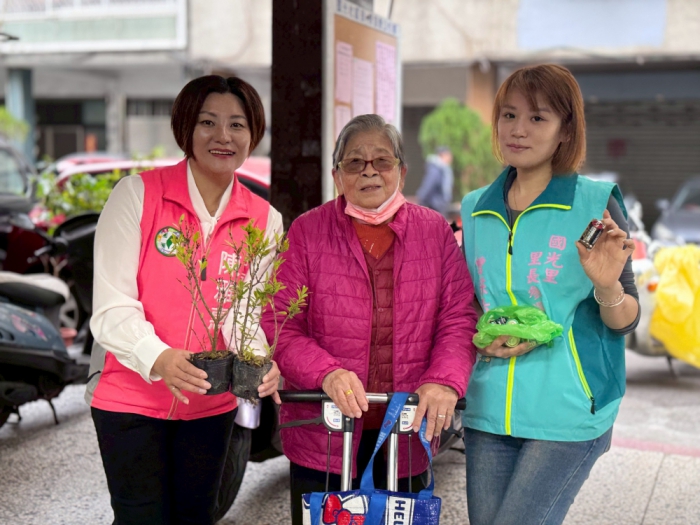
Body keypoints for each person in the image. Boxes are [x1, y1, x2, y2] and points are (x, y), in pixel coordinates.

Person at [261, 114, 478, 525]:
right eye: (354, 162)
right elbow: (279, 323)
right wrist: (326, 372)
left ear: (402, 171)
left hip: (407, 430)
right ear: (336, 175)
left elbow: (458, 317)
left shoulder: (434, 231)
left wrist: (443, 380)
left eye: (382, 160)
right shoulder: (307, 231)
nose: (369, 171)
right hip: (323, 431)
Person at [85, 75, 283, 525]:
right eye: (207, 122)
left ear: (253, 134)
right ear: (185, 129)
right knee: (141, 518)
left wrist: (258, 360)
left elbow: (243, 312)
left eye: (237, 124)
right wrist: (158, 358)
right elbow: (112, 305)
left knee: (196, 516)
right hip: (129, 401)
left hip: (210, 406)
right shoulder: (137, 195)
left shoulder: (264, 219)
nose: (223, 136)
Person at [460, 64, 640, 525]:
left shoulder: (595, 203)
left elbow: (626, 319)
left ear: (566, 131)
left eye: (537, 118)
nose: (518, 129)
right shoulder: (475, 208)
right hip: (488, 409)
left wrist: (606, 285)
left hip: (568, 412)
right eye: (509, 115)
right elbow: (472, 303)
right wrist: (481, 333)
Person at [417, 145, 454, 217]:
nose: (450, 158)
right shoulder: (436, 169)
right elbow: (428, 185)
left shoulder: (444, 169)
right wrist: (421, 199)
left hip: (440, 206)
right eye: (449, 155)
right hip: (434, 206)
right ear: (443, 155)